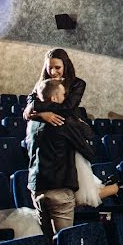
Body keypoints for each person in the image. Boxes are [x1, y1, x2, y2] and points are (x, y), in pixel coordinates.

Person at [26, 77, 99, 236]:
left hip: (36, 188)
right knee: (65, 242)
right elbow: (88, 151)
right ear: (53, 98)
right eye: (63, 94)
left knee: (48, 240)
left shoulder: (32, 122)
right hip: (58, 188)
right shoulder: (62, 121)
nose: (65, 98)